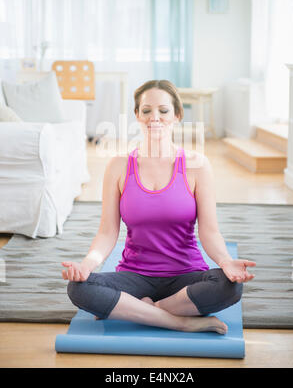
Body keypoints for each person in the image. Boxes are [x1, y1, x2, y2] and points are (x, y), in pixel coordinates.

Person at [62, 80, 256, 335]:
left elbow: (209, 232)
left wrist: (226, 261)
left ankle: (143, 310)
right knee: (79, 287)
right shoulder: (118, 166)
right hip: (134, 276)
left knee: (229, 286)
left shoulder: (197, 165)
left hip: (186, 277)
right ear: (136, 115)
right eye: (146, 110)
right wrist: (87, 264)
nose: (155, 117)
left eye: (163, 111)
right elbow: (107, 232)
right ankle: (180, 321)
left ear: (176, 115)